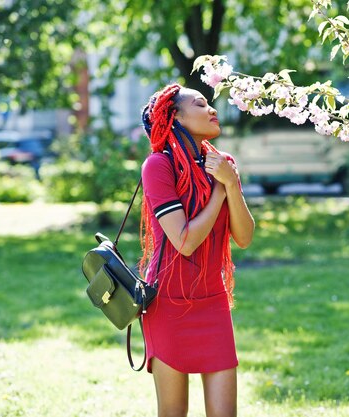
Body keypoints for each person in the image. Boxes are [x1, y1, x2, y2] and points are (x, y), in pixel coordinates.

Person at [138, 83, 255, 417]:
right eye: (201, 104)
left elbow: (244, 237)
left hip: (213, 301)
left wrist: (230, 182)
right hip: (168, 304)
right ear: (175, 116)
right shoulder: (158, 166)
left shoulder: (223, 165)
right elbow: (185, 241)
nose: (212, 110)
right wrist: (220, 193)